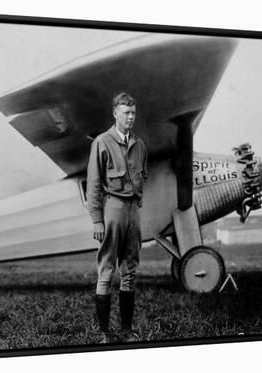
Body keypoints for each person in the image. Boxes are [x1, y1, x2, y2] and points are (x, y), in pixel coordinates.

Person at [86, 92, 148, 343]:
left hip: (133, 210)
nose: (131, 117)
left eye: (133, 113)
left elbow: (142, 176)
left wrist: (138, 204)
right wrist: (97, 219)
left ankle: (126, 330)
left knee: (130, 270)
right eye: (126, 113)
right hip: (112, 209)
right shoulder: (102, 142)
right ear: (115, 114)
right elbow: (94, 183)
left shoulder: (140, 144)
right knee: (107, 270)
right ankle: (104, 334)